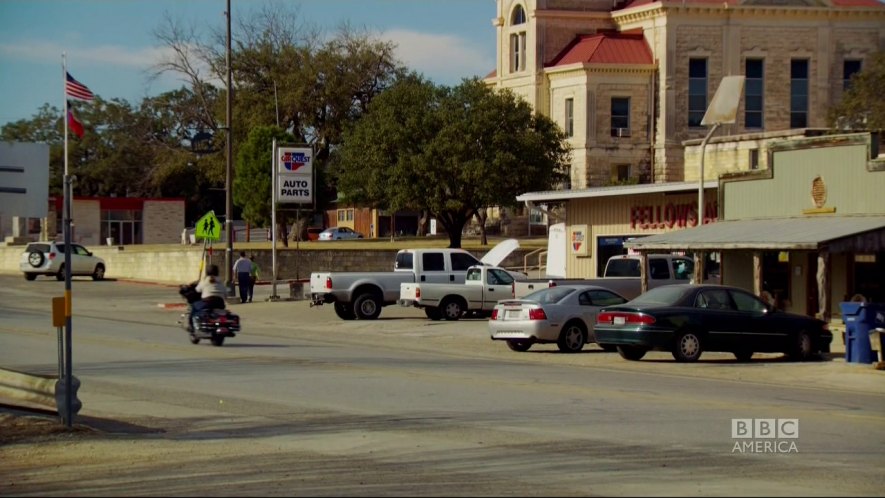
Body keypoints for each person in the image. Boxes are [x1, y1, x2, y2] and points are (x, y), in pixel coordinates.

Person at [189, 264, 227, 331]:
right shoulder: (221, 281)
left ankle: (191, 325)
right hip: (220, 303)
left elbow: (197, 290)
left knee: (194, 306)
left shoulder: (204, 280)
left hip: (208, 302)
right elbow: (225, 293)